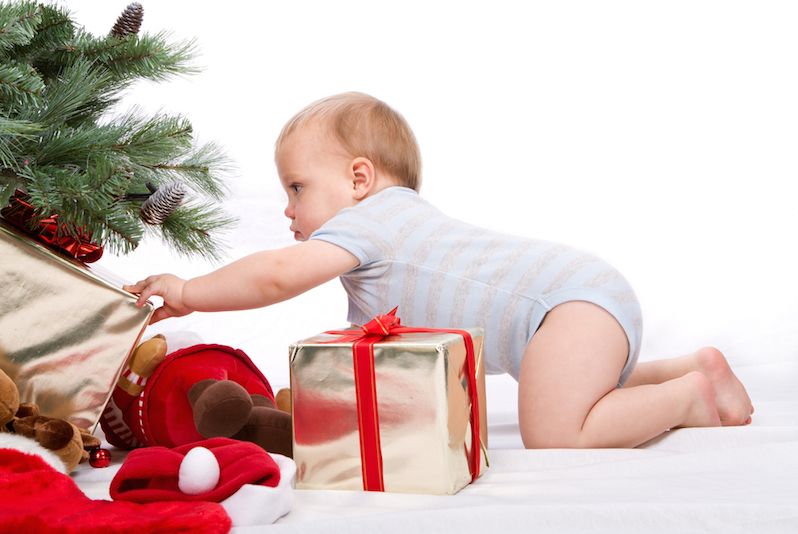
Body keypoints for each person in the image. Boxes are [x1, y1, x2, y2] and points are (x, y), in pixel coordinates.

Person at [125, 92, 754, 449]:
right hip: (575, 306)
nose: (288, 210)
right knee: (568, 383)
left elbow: (276, 276)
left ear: (359, 179)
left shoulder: (370, 222)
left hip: (568, 307)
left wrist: (190, 290)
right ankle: (686, 366)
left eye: (296, 187)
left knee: (556, 432)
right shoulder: (386, 245)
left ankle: (685, 399)